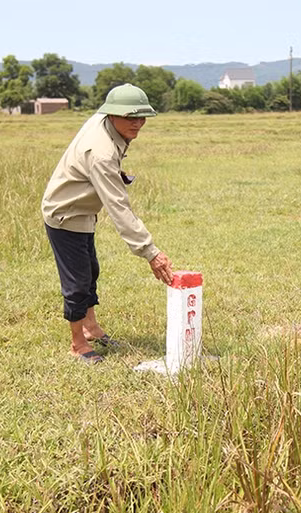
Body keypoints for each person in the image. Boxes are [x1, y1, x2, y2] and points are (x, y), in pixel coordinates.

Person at [42, 83, 173, 364]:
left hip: (84, 211)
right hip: (65, 215)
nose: (137, 124)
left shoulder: (103, 121)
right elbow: (119, 208)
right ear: (113, 115)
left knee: (91, 270)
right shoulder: (100, 153)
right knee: (77, 282)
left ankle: (91, 328)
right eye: (130, 117)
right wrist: (151, 252)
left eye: (142, 117)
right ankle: (77, 344)